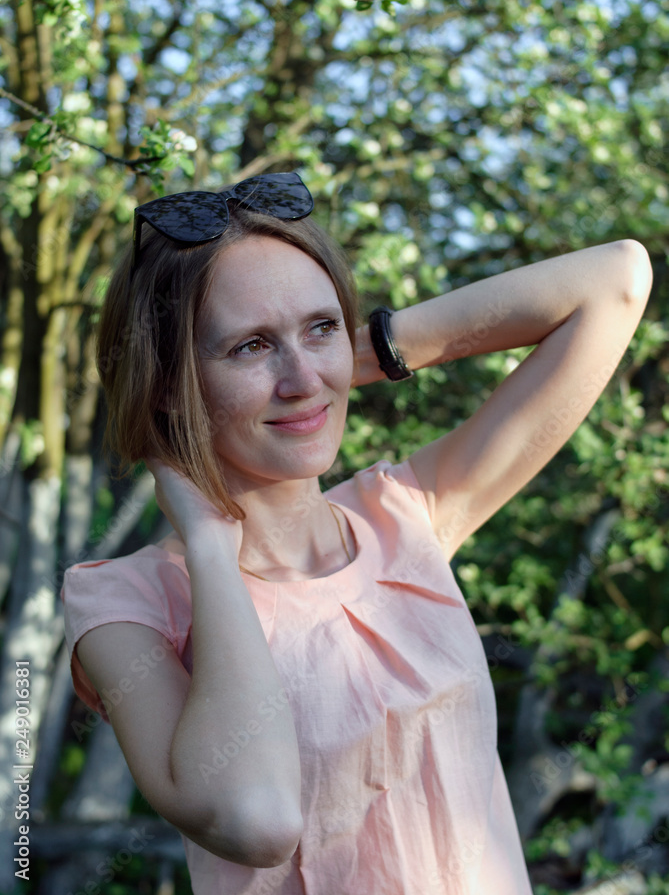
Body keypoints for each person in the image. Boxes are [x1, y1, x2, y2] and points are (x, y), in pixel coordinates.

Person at [61, 171, 652, 895]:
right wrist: (212, 549)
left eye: (318, 327)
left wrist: (365, 350)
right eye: (249, 347)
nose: (301, 378)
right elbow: (258, 820)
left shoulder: (406, 515)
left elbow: (616, 280)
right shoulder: (124, 608)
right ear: (167, 380)